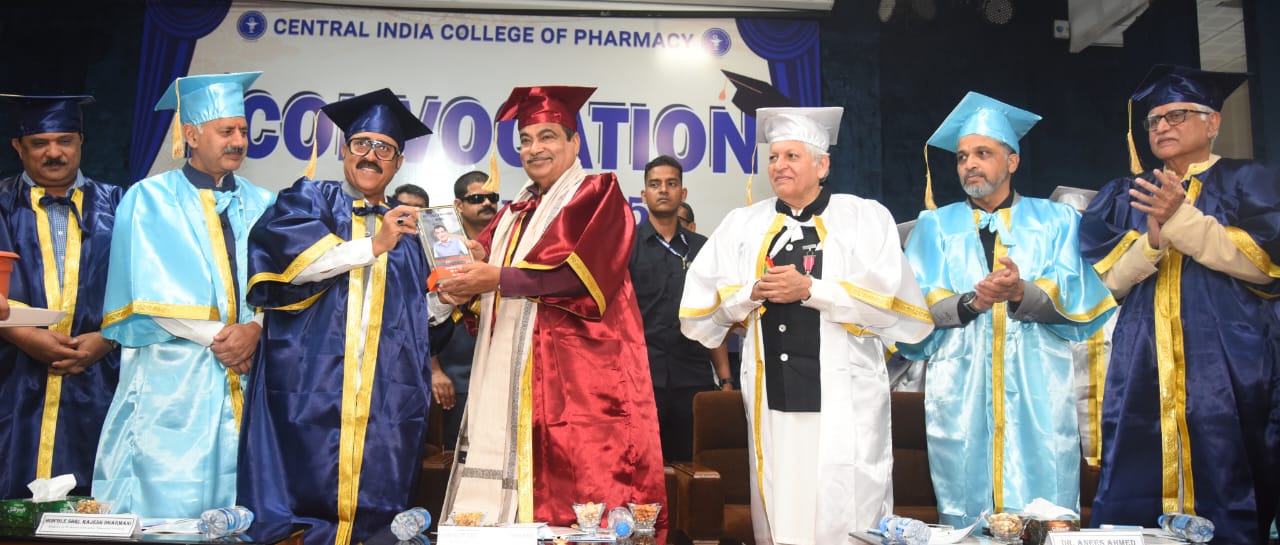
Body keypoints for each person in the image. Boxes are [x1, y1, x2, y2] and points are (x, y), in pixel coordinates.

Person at [680, 106, 934, 545]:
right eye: (773, 157)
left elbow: (894, 309)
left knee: (847, 503)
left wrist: (811, 290)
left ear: (822, 165)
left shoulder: (864, 218)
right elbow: (698, 312)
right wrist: (750, 293)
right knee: (784, 506)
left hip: (846, 397)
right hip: (774, 400)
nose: (779, 165)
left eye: (792, 156)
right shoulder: (743, 225)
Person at [437, 86, 666, 527]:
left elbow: (578, 277)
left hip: (581, 376)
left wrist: (496, 277)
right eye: (525, 139)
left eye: (547, 136)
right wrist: (465, 276)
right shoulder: (514, 212)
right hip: (518, 374)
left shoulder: (597, 194)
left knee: (582, 487)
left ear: (574, 143)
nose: (533, 148)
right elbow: (488, 282)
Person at [1079, 65, 1280, 543]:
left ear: (1213, 123)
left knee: (1230, 472)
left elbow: (1264, 265)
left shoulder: (1247, 180)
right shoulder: (1126, 194)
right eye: (1154, 120)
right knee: (1137, 474)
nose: (1162, 126)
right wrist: (1151, 241)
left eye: (1177, 115)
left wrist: (1181, 221)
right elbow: (1107, 283)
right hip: (1143, 362)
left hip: (1230, 361)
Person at [899, 92, 1115, 527]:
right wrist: (972, 302)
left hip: (1038, 388)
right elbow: (913, 307)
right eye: (962, 157)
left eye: (983, 153)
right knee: (966, 514)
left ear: (1012, 161)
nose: (969, 164)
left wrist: (1021, 292)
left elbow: (1080, 299)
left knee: (1044, 515)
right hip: (960, 390)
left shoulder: (1056, 221)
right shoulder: (934, 226)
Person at [236, 88, 433, 545]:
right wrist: (374, 245)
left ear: (398, 164)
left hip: (385, 395)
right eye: (362, 144)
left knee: (380, 508)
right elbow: (293, 266)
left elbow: (423, 319)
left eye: (384, 149)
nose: (371, 156)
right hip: (305, 385)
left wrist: (452, 288)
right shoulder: (308, 199)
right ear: (344, 150)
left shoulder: (411, 228)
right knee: (296, 500)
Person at [94, 72, 275, 518]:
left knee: (243, 504)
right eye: (226, 131)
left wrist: (255, 329)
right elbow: (147, 290)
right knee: (169, 500)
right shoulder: (149, 199)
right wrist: (226, 339)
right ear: (191, 135)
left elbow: (283, 283)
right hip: (174, 376)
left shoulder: (266, 203)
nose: (239, 141)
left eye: (243, 131)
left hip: (250, 376)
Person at [0, 94, 122, 498]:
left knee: (95, 503)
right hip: (12, 375)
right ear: (18, 146)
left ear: (81, 141)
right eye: (40, 143)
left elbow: (148, 286)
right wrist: (24, 335)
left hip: (101, 376)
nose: (54, 153)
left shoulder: (122, 205)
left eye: (65, 140)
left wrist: (106, 338)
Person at [629, 154, 731, 463]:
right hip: (641, 380)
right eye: (655, 184)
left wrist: (725, 379)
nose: (663, 190)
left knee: (693, 469)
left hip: (693, 379)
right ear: (644, 194)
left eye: (671, 183)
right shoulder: (626, 245)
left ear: (682, 192)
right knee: (643, 467)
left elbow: (714, 318)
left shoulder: (702, 248)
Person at [430, 170, 497, 449]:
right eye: (477, 198)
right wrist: (433, 369)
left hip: (498, 370)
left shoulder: (507, 244)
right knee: (454, 458)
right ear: (458, 205)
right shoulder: (439, 247)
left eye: (492, 197)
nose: (487, 203)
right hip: (453, 370)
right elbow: (421, 314)